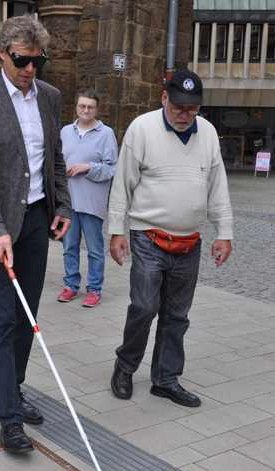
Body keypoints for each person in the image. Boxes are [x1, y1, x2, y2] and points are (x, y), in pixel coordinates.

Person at [0, 16, 71, 453]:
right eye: (22, 59)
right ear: (2, 52)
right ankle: (9, 419)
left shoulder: (50, 97)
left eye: (38, 60)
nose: (30, 68)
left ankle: (15, 389)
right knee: (2, 317)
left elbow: (54, 157)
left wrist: (63, 206)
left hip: (38, 219)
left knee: (28, 314)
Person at [107, 70, 233, 407]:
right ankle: (125, 365)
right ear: (164, 99)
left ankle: (165, 379)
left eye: (192, 110)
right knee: (144, 307)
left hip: (189, 242)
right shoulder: (142, 128)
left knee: (177, 315)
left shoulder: (206, 133)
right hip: (148, 236)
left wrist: (225, 232)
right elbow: (122, 184)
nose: (184, 116)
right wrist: (116, 231)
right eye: (178, 107)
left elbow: (217, 186)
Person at [57, 89, 118, 307]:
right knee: (69, 247)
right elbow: (55, 160)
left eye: (90, 107)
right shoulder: (65, 131)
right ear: (76, 107)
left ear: (96, 109)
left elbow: (112, 168)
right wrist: (60, 169)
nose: (86, 110)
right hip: (68, 202)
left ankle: (94, 289)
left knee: (94, 249)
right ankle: (71, 286)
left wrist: (88, 167)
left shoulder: (106, 133)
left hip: (92, 202)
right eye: (82, 106)